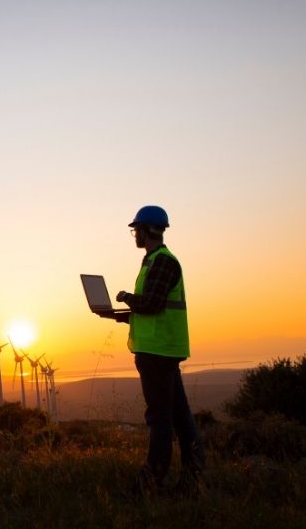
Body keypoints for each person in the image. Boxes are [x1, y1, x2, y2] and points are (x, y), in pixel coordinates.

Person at [101, 205, 205, 496]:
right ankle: (194, 476)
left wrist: (126, 298)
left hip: (158, 353)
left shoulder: (162, 262)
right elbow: (150, 308)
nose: (135, 234)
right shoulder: (154, 261)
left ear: (146, 230)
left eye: (136, 229)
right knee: (180, 415)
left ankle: (151, 481)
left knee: (160, 418)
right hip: (161, 350)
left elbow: (151, 304)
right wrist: (120, 315)